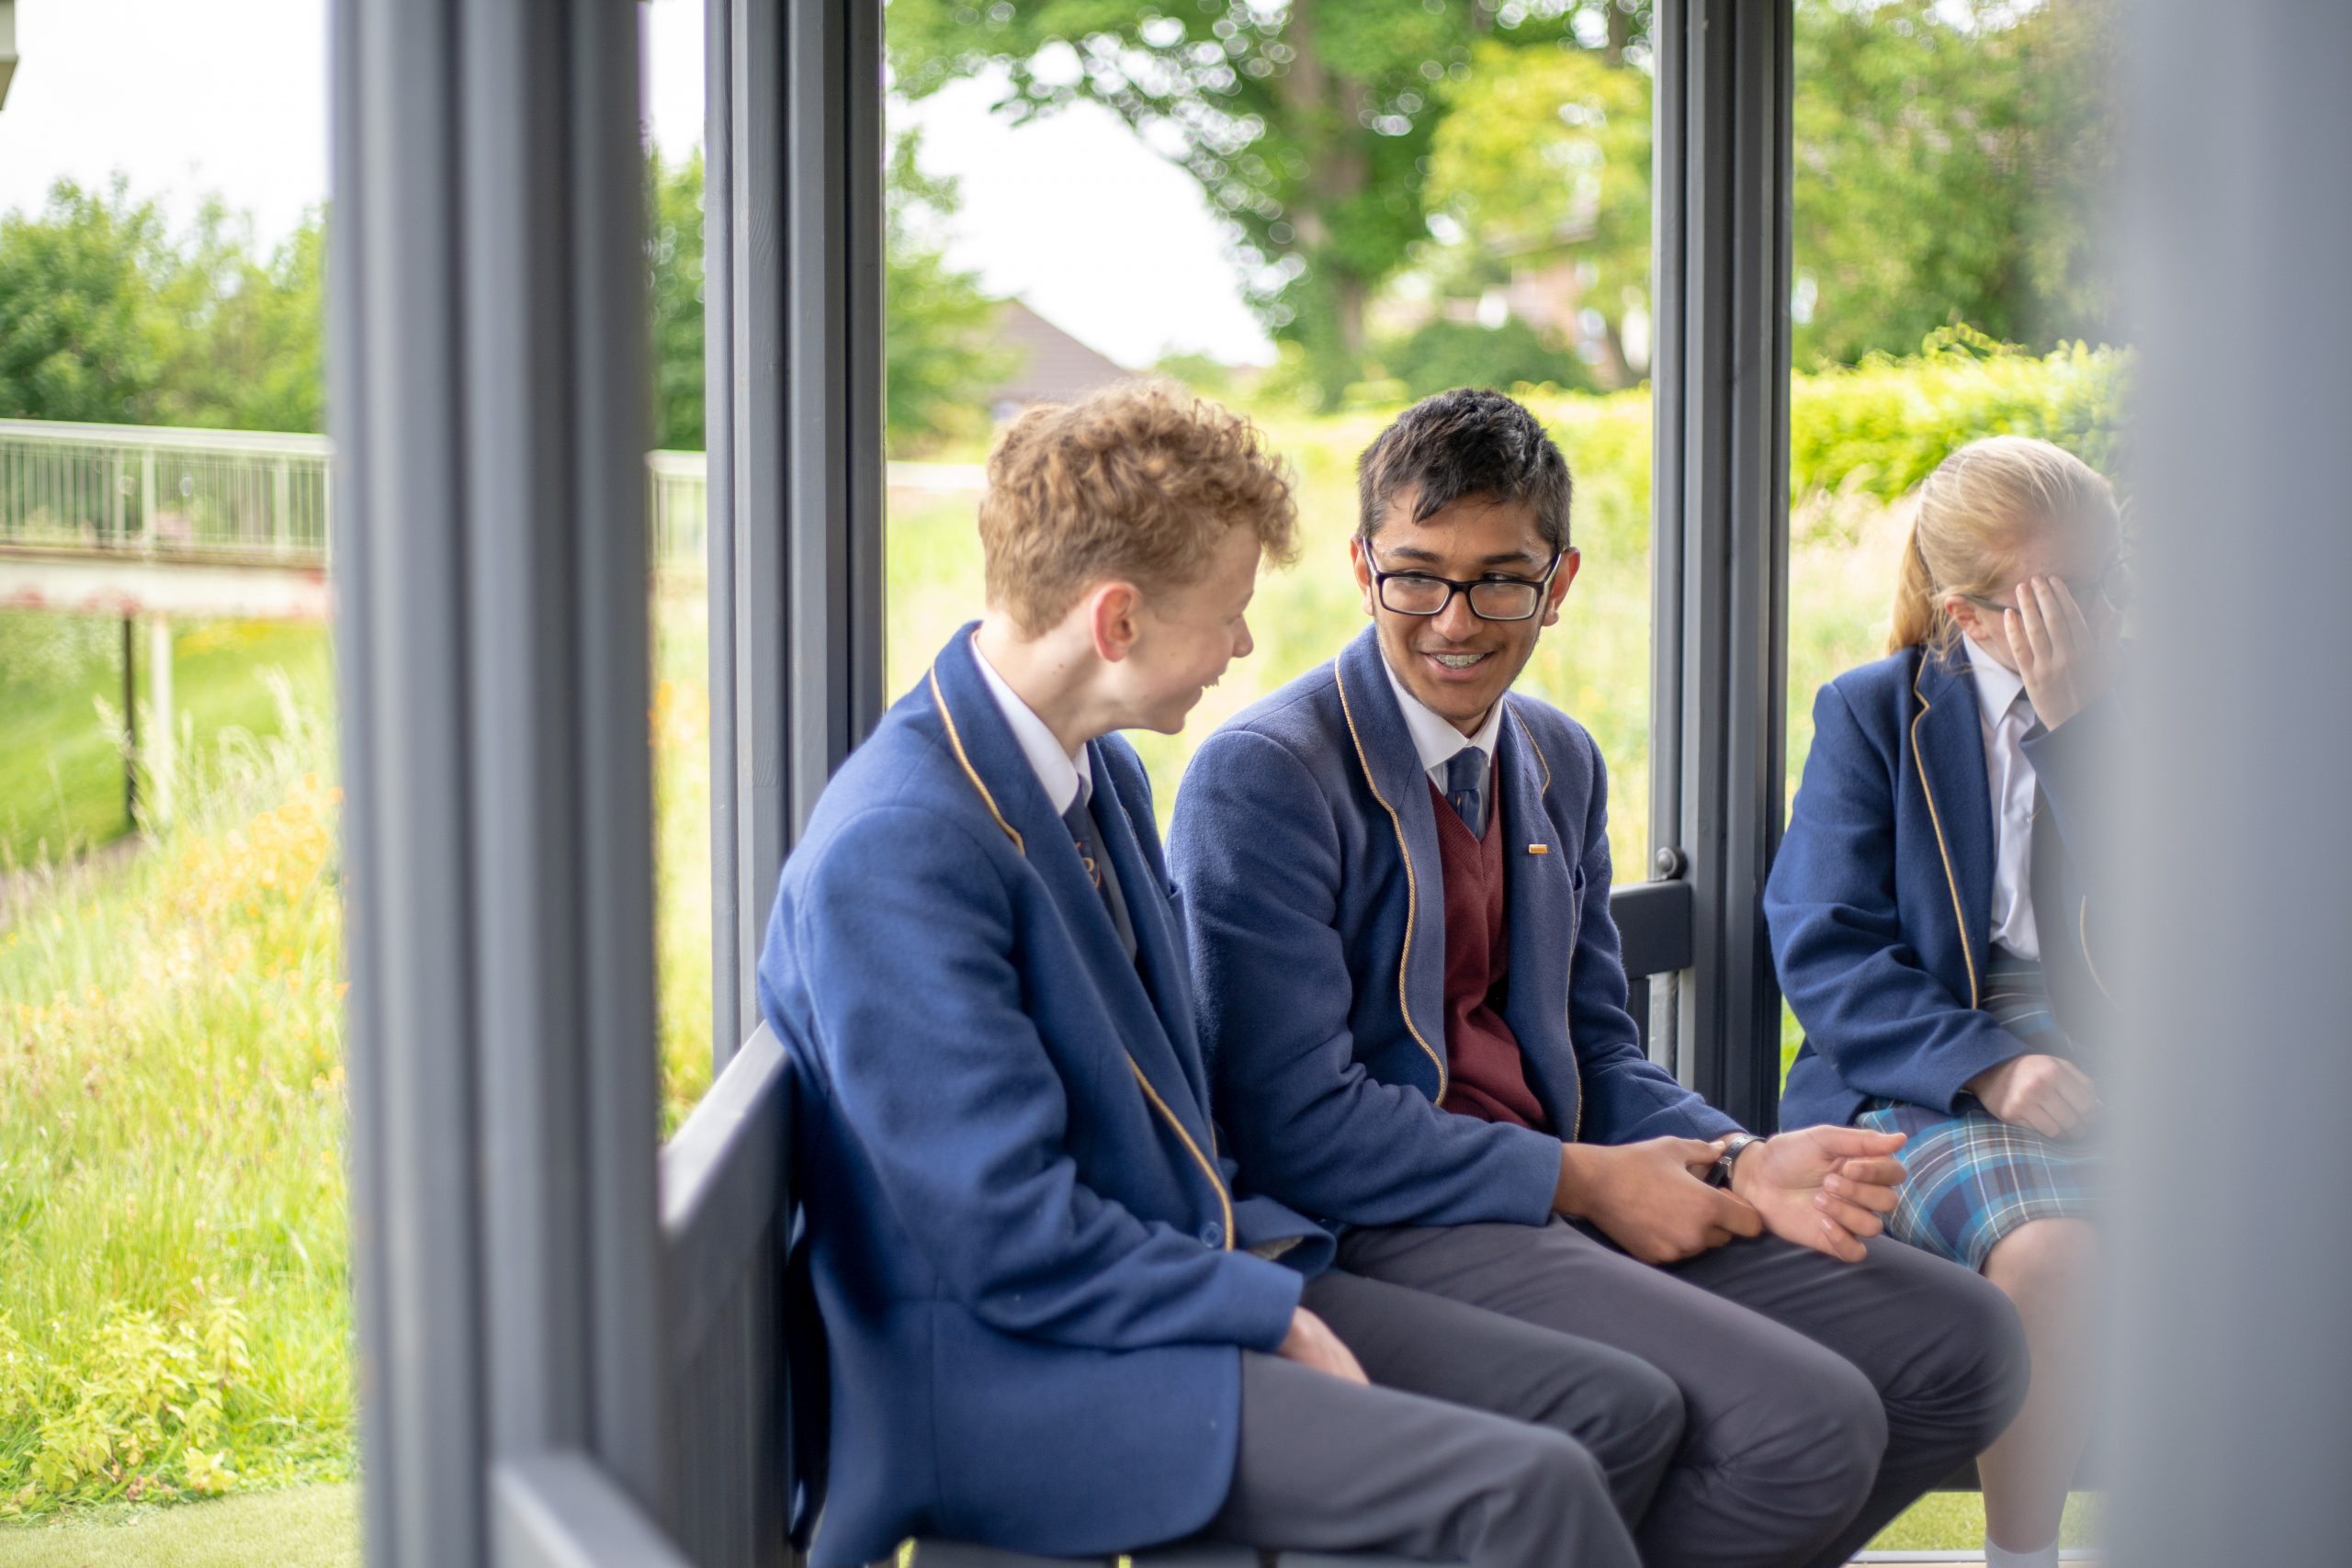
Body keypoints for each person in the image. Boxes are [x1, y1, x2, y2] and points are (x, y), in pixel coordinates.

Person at [760, 381, 1665, 1568]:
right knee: (1527, 1490)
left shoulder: (1099, 778)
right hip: (1007, 1370)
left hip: (1175, 1275)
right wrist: (1268, 1310)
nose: (1244, 645)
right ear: (1118, 620)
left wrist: (1263, 1277)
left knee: (1615, 1407)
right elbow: (1004, 1236)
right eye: (1230, 611)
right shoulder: (903, 843)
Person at [1169, 388, 2029, 1568]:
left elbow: (1597, 1046)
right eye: (1415, 574)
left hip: (1556, 1186)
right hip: (1388, 1217)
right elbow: (1289, 1126)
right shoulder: (1265, 774)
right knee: (1806, 1425)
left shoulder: (1558, 759)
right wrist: (1582, 1179)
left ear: (1558, 583)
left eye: (1500, 579)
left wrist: (1739, 1158)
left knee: (1968, 1339)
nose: (1453, 620)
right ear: (1364, 566)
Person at [1766, 434, 2124, 1568]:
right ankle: (2024, 1554)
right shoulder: (1875, 715)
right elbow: (1824, 947)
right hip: (1924, 1069)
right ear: (1968, 613)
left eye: (2107, 582)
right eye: (2057, 596)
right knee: (2056, 1251)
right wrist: (1989, 1063)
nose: (2096, 615)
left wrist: (2089, 739)